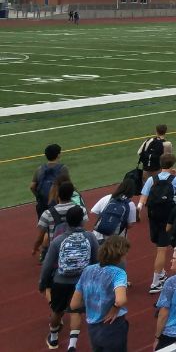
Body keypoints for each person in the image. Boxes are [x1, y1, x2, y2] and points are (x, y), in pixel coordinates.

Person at [39, 205, 98, 351]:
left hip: (60, 281)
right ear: (82, 221)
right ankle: (72, 345)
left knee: (57, 311)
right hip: (81, 281)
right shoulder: (90, 237)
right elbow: (96, 261)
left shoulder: (58, 240)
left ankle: (53, 339)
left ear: (67, 222)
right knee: (76, 311)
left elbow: (47, 265)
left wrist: (42, 282)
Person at [70, 235, 130, 352]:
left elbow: (74, 304)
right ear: (120, 254)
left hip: (93, 328)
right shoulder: (119, 273)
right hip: (113, 326)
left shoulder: (88, 270)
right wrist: (114, 308)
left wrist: (94, 303)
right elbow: (121, 300)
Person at [137, 153, 176, 293]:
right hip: (169, 216)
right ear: (172, 164)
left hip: (154, 215)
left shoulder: (152, 179)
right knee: (163, 249)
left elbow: (143, 197)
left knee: (159, 245)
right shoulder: (175, 179)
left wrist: (139, 208)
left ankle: (162, 273)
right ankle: (155, 282)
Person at [31, 144, 70, 219]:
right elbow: (68, 186)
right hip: (58, 204)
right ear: (58, 155)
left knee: (44, 225)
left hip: (42, 204)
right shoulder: (63, 168)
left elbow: (32, 186)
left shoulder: (39, 169)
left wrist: (38, 196)